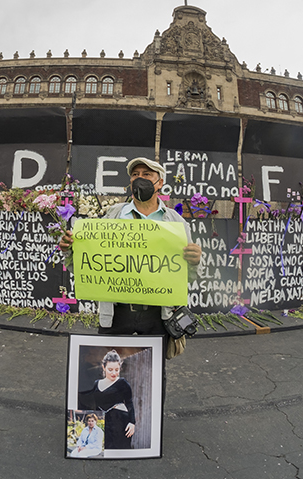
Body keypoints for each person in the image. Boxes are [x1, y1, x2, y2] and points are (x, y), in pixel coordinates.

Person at [59, 157, 202, 335]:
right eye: (135, 174)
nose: (139, 178)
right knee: (111, 361)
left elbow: (189, 277)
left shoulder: (176, 222)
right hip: (116, 313)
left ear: (160, 183)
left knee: (152, 362)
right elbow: (88, 264)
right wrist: (70, 250)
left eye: (147, 174)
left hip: (158, 315)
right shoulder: (113, 215)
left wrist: (194, 261)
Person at [78, 350, 135, 450]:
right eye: (110, 369)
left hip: (120, 422)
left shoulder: (123, 383)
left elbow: (129, 403)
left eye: (117, 370)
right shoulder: (96, 383)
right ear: (104, 368)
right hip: (104, 422)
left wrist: (132, 423)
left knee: (120, 449)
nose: (114, 373)